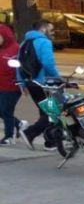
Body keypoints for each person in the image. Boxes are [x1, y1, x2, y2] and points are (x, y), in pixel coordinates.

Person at [16, 19, 61, 150]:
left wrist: (22, 83)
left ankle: (51, 142)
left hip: (31, 83)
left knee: (45, 111)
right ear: (43, 29)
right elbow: (48, 64)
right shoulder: (44, 42)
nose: (53, 33)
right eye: (51, 30)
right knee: (52, 113)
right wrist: (58, 78)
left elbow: (19, 65)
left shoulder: (24, 42)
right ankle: (30, 133)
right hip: (44, 84)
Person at [0, 24, 27, 146]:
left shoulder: (16, 48)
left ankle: (9, 137)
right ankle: (19, 124)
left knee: (6, 110)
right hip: (1, 85)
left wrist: (23, 84)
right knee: (3, 111)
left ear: (5, 36)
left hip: (12, 86)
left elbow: (22, 67)